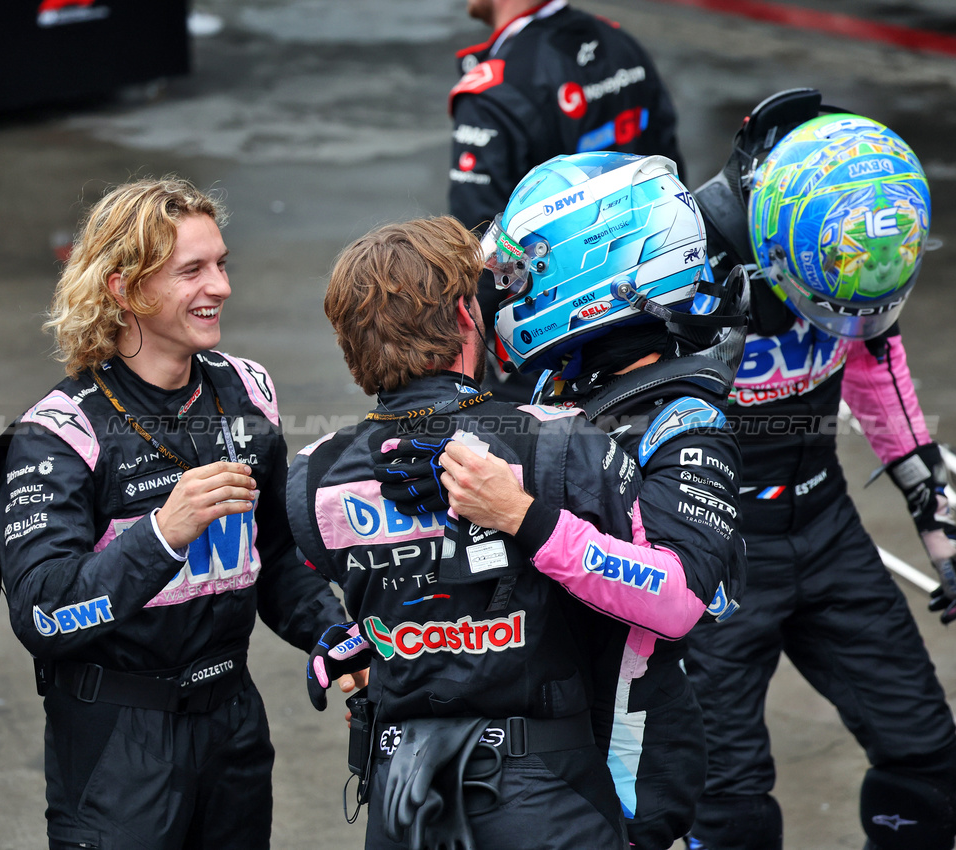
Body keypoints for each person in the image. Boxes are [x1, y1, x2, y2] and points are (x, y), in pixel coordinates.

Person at [289, 215, 729, 850]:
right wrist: (523, 518)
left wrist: (374, 635)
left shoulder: (311, 475)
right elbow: (674, 601)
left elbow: (389, 580)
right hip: (549, 791)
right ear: (469, 319)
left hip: (401, 800)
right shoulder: (565, 442)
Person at [382, 153, 749, 848]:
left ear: (592, 273)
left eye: (524, 271)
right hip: (538, 762)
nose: (507, 288)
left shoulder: (684, 424)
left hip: (622, 774)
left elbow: (675, 600)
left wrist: (521, 514)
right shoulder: (561, 392)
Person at [0, 177, 347, 848]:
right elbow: (42, 615)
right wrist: (162, 535)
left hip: (233, 726)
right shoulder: (58, 434)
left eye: (220, 264)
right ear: (124, 288)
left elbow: (273, 559)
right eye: (192, 270)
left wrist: (332, 631)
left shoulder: (248, 392)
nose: (220, 286)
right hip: (118, 744)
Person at [683, 92, 956, 850]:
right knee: (727, 816)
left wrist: (933, 519)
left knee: (932, 771)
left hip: (822, 525)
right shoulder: (674, 250)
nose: (843, 325)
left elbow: (879, 370)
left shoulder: (851, 236)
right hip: (708, 556)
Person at [449, 0, 685, 401]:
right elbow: (670, 184)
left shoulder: (495, 90)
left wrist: (469, 378)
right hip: (650, 318)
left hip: (552, 344)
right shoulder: (621, 46)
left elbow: (477, 256)